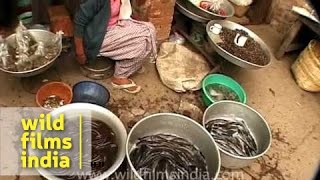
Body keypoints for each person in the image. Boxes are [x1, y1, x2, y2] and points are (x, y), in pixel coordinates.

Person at [74, 0, 157, 94]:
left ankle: (130, 62)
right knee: (144, 37)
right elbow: (79, 22)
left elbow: (127, 11)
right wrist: (80, 52)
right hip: (98, 36)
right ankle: (120, 77)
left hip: (116, 25)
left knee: (149, 29)